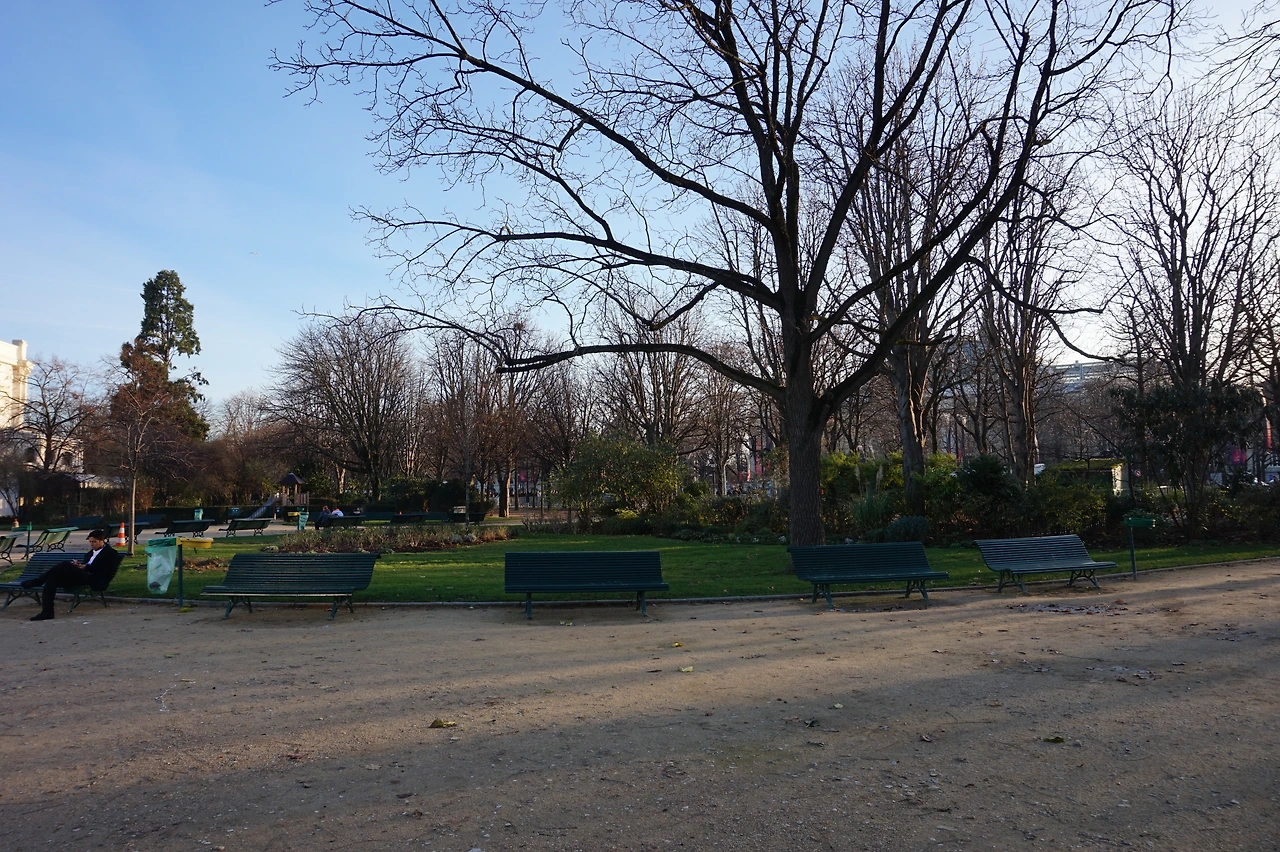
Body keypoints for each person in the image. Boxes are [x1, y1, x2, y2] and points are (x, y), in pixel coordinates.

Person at [21, 529, 123, 621]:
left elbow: (106, 571)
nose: (92, 544)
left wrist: (85, 567)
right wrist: (79, 565)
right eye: (90, 542)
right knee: (52, 579)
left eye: (94, 542)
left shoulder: (111, 553)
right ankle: (47, 612)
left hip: (95, 579)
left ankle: (38, 581)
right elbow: (87, 565)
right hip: (84, 576)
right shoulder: (90, 553)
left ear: (102, 541)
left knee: (65, 564)